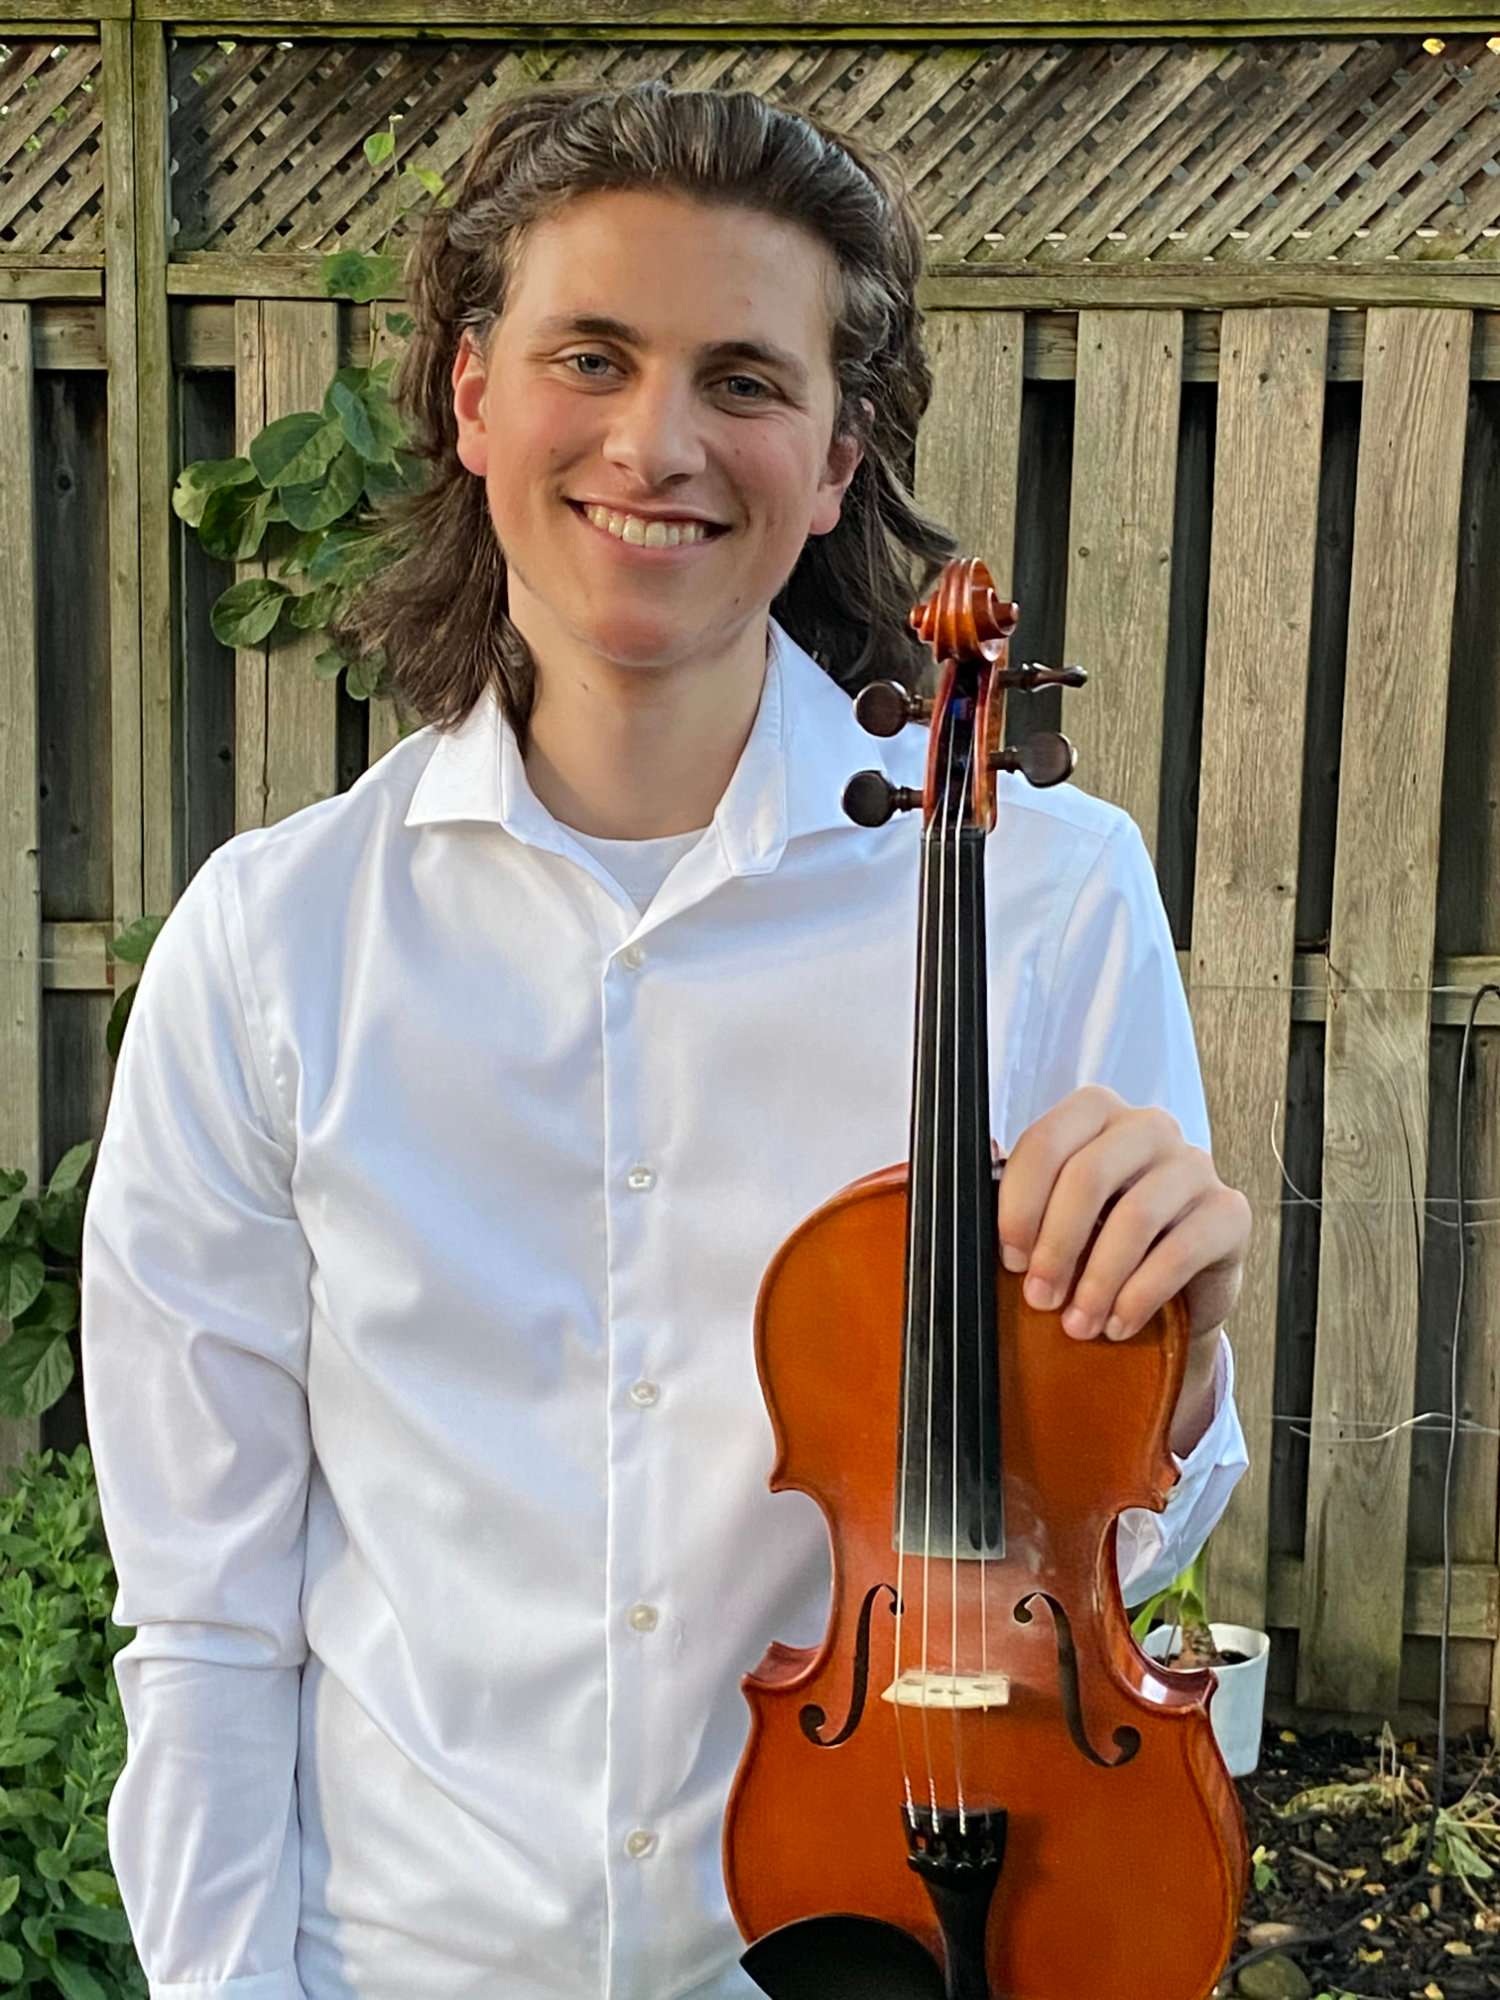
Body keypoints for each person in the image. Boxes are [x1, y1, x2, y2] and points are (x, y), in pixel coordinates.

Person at [80, 80, 1250, 2000]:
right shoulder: (272, 948)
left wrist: (1179, 1362)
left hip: (873, 1944)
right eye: (592, 357)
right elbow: (208, 1623)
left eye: (745, 380)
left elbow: (1114, 1535)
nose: (659, 443)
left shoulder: (1039, 902)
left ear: (840, 446)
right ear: (472, 397)